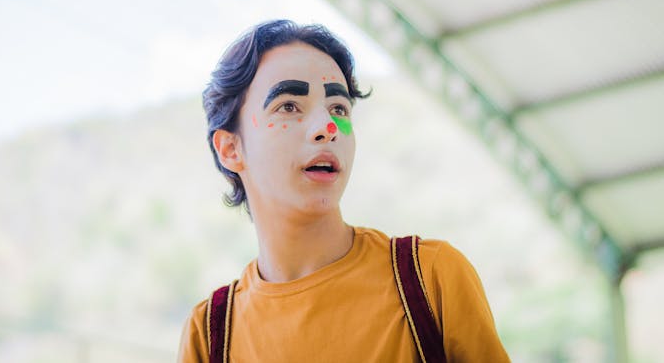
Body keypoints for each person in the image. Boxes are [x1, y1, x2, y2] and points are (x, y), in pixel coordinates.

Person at [178, 20, 509, 362]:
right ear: (230, 149)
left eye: (339, 108)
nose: (328, 128)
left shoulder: (431, 280)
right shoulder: (209, 336)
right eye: (289, 106)